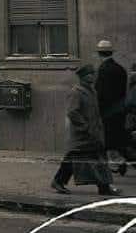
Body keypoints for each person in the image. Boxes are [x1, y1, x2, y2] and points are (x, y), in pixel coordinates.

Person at [52, 64, 122, 196]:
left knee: (99, 158)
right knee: (75, 158)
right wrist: (85, 126)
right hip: (82, 134)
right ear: (82, 77)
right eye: (88, 74)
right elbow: (73, 112)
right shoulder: (76, 92)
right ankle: (58, 181)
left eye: (92, 74)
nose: (92, 76)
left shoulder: (92, 91)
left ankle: (104, 187)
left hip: (93, 132)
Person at [95, 39, 129, 174]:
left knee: (107, 139)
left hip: (107, 111)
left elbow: (100, 92)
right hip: (120, 109)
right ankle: (120, 162)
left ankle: (115, 164)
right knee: (118, 137)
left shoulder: (102, 70)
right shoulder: (120, 69)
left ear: (99, 54)